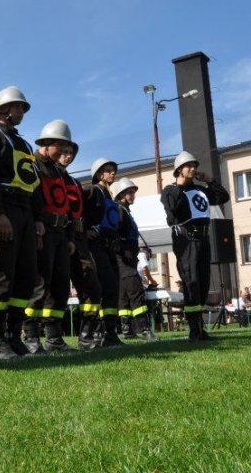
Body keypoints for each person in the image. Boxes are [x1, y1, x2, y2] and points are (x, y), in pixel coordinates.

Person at [0, 86, 44, 359]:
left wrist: (38, 219)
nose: (21, 112)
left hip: (25, 212)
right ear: (3, 109)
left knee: (25, 275)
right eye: (17, 107)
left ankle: (15, 336)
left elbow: (34, 185)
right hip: (2, 209)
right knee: (2, 272)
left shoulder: (25, 145)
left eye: (23, 108)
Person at [160, 151, 230, 341]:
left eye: (194, 166)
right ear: (179, 170)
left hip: (203, 241)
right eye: (188, 166)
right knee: (191, 283)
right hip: (186, 242)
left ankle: (200, 329)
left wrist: (210, 180)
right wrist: (180, 187)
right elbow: (171, 215)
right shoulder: (170, 190)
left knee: (203, 284)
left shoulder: (201, 190)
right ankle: (194, 330)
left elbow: (223, 197)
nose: (192, 169)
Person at [25, 120, 78, 353]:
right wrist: (36, 228)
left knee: (59, 284)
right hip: (43, 230)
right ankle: (31, 336)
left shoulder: (57, 170)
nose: (66, 153)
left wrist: (69, 238)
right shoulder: (32, 163)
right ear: (47, 143)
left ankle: (54, 338)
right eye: (62, 147)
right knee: (39, 284)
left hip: (59, 233)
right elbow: (31, 197)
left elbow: (64, 205)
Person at [55, 143, 103, 349]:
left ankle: (86, 335)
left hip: (79, 237)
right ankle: (52, 338)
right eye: (64, 153)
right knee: (56, 287)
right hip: (57, 234)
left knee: (92, 285)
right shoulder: (48, 177)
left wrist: (87, 229)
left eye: (70, 154)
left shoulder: (75, 182)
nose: (67, 157)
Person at [84, 157, 125, 347]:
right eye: (108, 170)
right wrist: (85, 230)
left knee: (112, 289)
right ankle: (95, 333)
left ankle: (110, 333)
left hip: (109, 248)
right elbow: (79, 210)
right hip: (95, 247)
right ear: (99, 174)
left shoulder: (109, 196)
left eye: (113, 170)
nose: (112, 173)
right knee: (104, 287)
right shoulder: (92, 191)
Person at [112, 177, 158, 342]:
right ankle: (144, 330)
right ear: (121, 195)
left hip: (127, 258)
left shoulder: (125, 211)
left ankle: (127, 330)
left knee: (123, 296)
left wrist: (139, 250)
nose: (133, 196)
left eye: (133, 193)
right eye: (129, 193)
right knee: (137, 293)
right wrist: (124, 250)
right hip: (123, 259)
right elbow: (114, 233)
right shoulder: (119, 210)